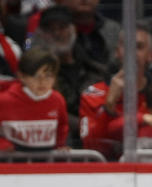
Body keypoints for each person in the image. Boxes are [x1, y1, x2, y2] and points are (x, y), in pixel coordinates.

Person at [29, 4, 106, 147]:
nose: (57, 33)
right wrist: (83, 126)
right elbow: (42, 109)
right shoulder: (34, 75)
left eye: (62, 27)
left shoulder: (96, 70)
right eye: (50, 30)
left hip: (96, 145)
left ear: (73, 30)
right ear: (40, 35)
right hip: (56, 147)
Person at [78, 21, 152, 159]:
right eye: (126, 46)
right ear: (117, 52)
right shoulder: (93, 94)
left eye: (139, 47)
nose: (131, 53)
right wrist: (109, 106)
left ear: (150, 55)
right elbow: (90, 145)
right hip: (104, 172)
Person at [0, 46, 68, 151]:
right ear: (22, 76)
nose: (42, 82)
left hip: (45, 163)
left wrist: (60, 146)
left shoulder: (57, 100)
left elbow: (62, 127)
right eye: (36, 76)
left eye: (48, 76)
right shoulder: (4, 101)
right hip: (9, 163)